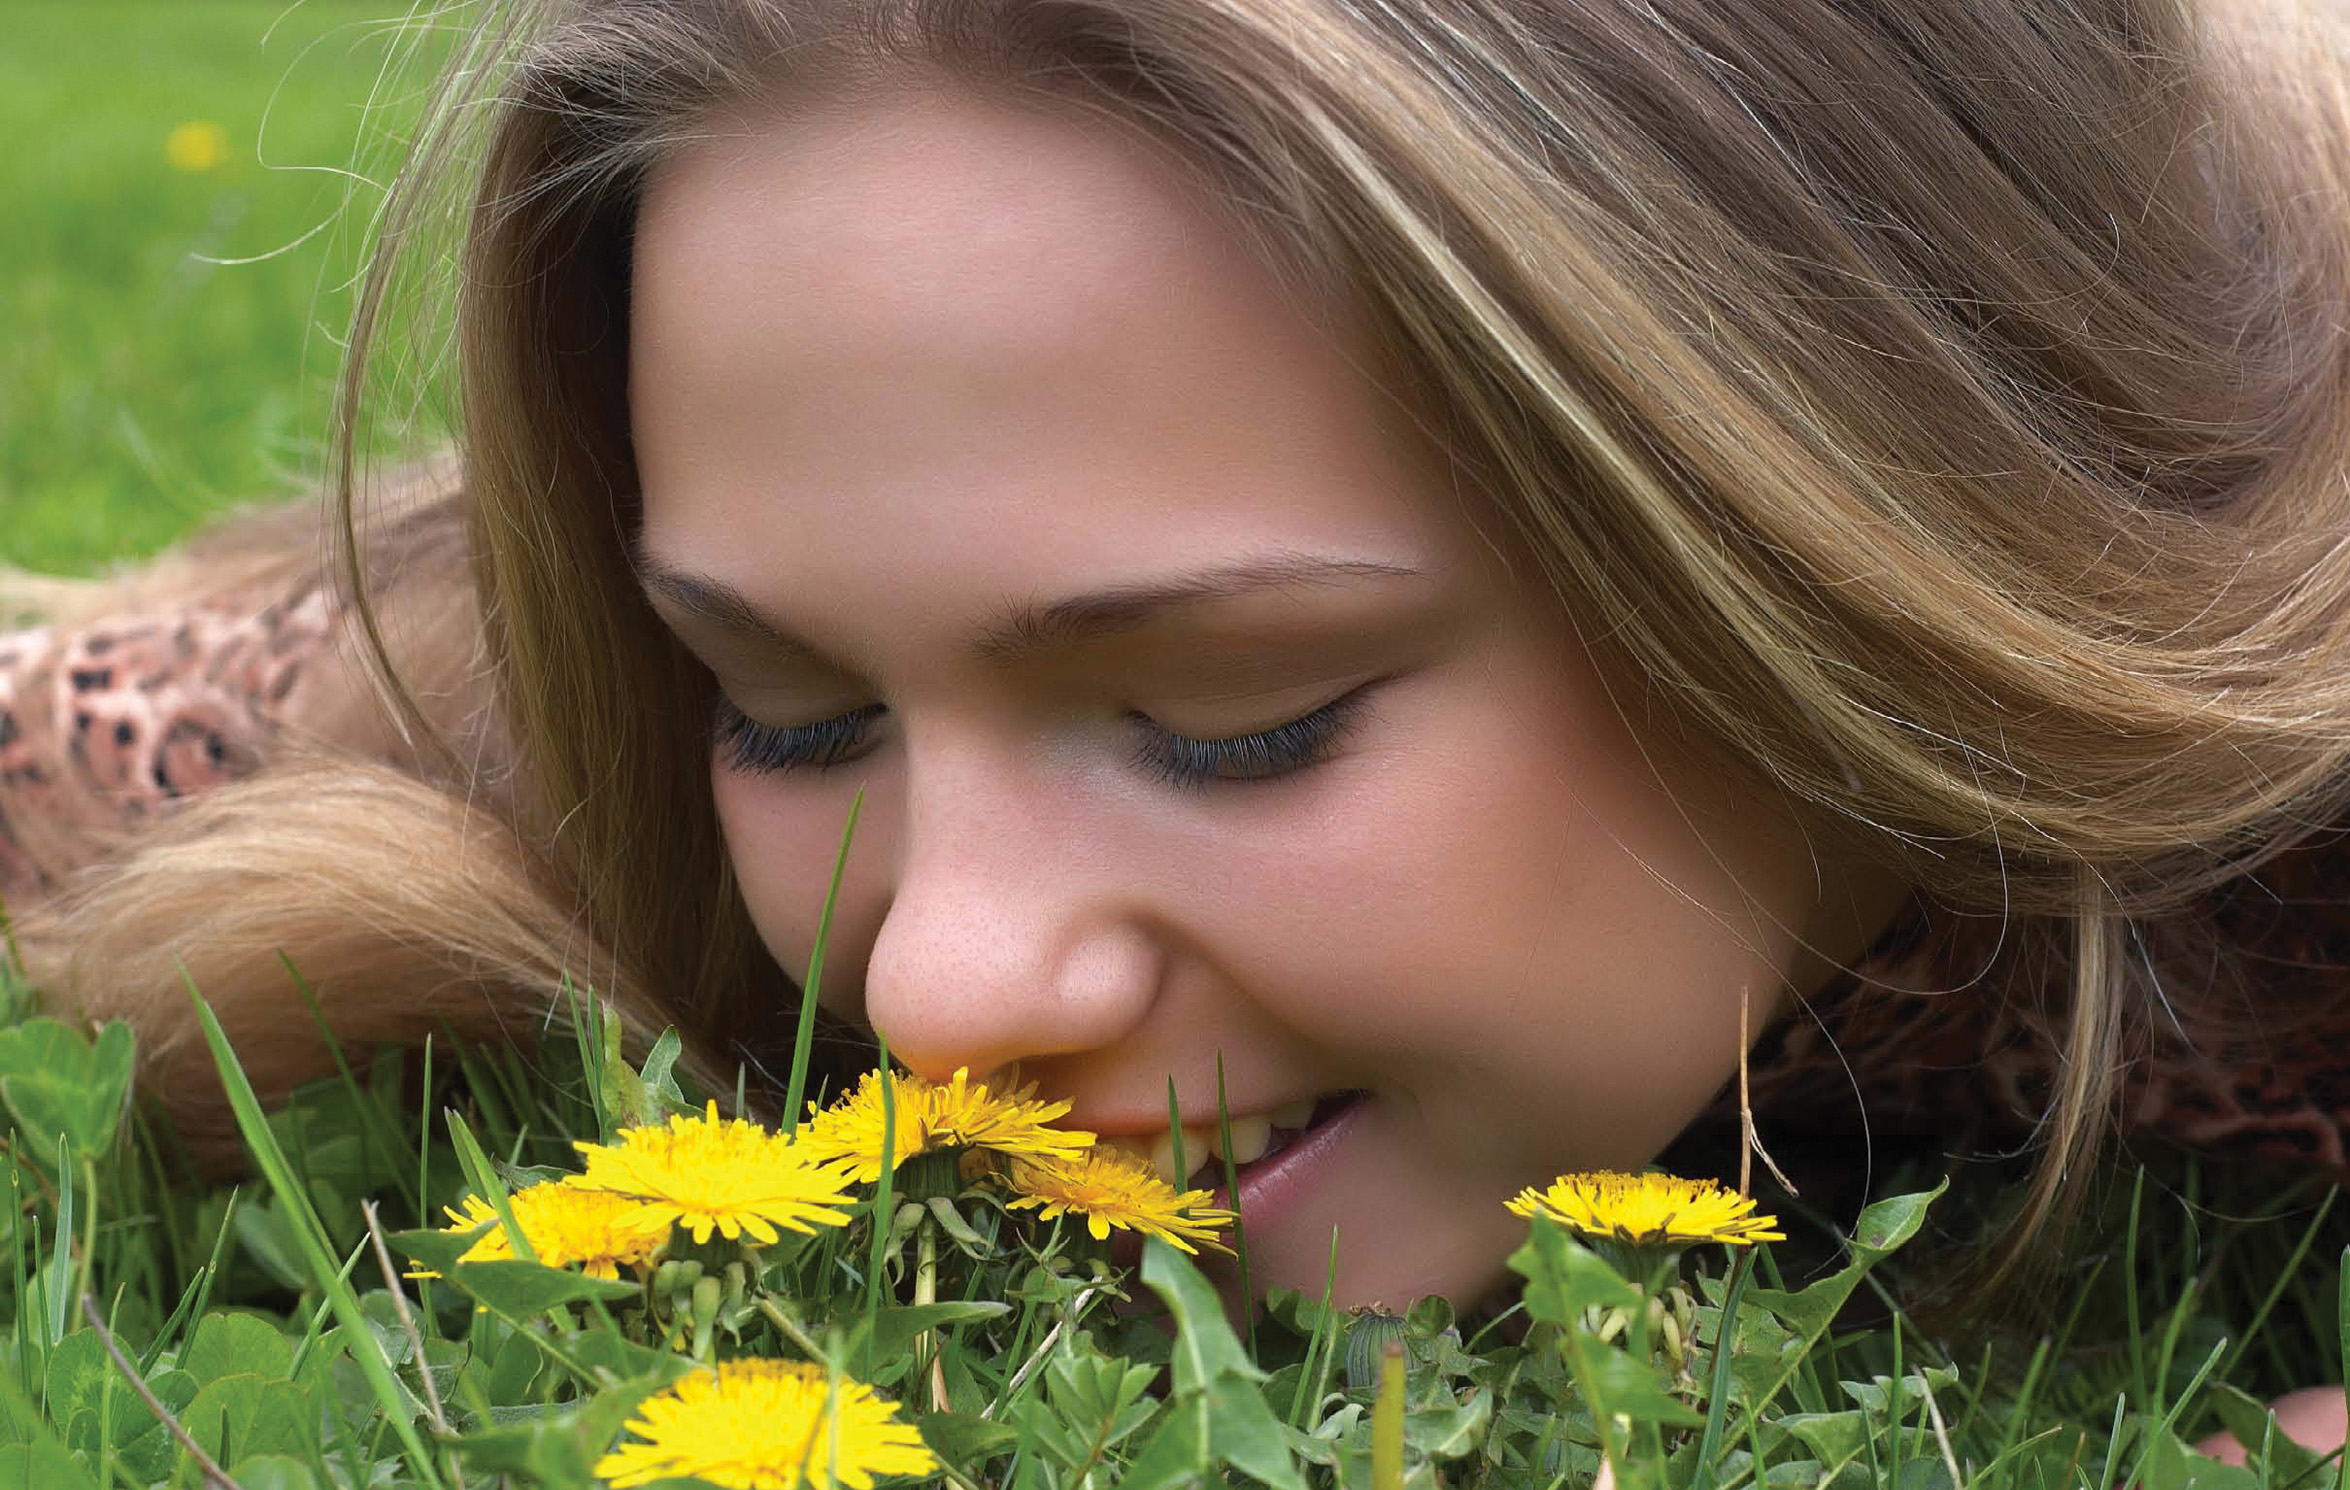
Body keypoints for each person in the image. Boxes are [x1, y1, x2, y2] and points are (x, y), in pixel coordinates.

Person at [5, 0, 2350, 1384]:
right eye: (793, 714)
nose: (940, 988)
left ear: (1868, 536)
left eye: (1239, 714)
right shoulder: (469, 715)